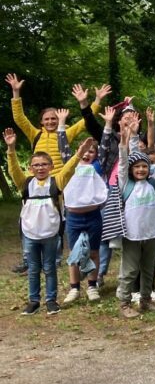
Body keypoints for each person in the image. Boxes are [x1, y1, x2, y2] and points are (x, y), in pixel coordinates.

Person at [5, 127, 86, 315]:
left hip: (50, 233)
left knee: (50, 268)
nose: (40, 168)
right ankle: (34, 301)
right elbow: (13, 169)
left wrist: (79, 154)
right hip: (29, 233)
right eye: (36, 165)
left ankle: (51, 300)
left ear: (50, 167)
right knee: (33, 269)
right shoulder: (25, 183)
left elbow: (69, 168)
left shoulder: (56, 182)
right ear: (31, 168)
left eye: (43, 164)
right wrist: (11, 149)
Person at [116, 116, 155, 317]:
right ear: (132, 170)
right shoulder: (126, 184)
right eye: (137, 167)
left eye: (144, 166)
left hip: (152, 234)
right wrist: (125, 142)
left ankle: (145, 300)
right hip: (132, 235)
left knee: (148, 270)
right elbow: (124, 163)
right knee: (130, 271)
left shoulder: (153, 182)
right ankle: (124, 304)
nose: (141, 169)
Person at [60, 131, 108, 305]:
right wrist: (61, 125)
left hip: (93, 215)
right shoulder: (70, 166)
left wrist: (108, 126)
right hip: (73, 217)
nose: (87, 154)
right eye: (84, 150)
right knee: (74, 254)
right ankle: (74, 288)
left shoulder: (97, 167)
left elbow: (105, 148)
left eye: (92, 151)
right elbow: (62, 147)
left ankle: (92, 285)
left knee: (94, 251)